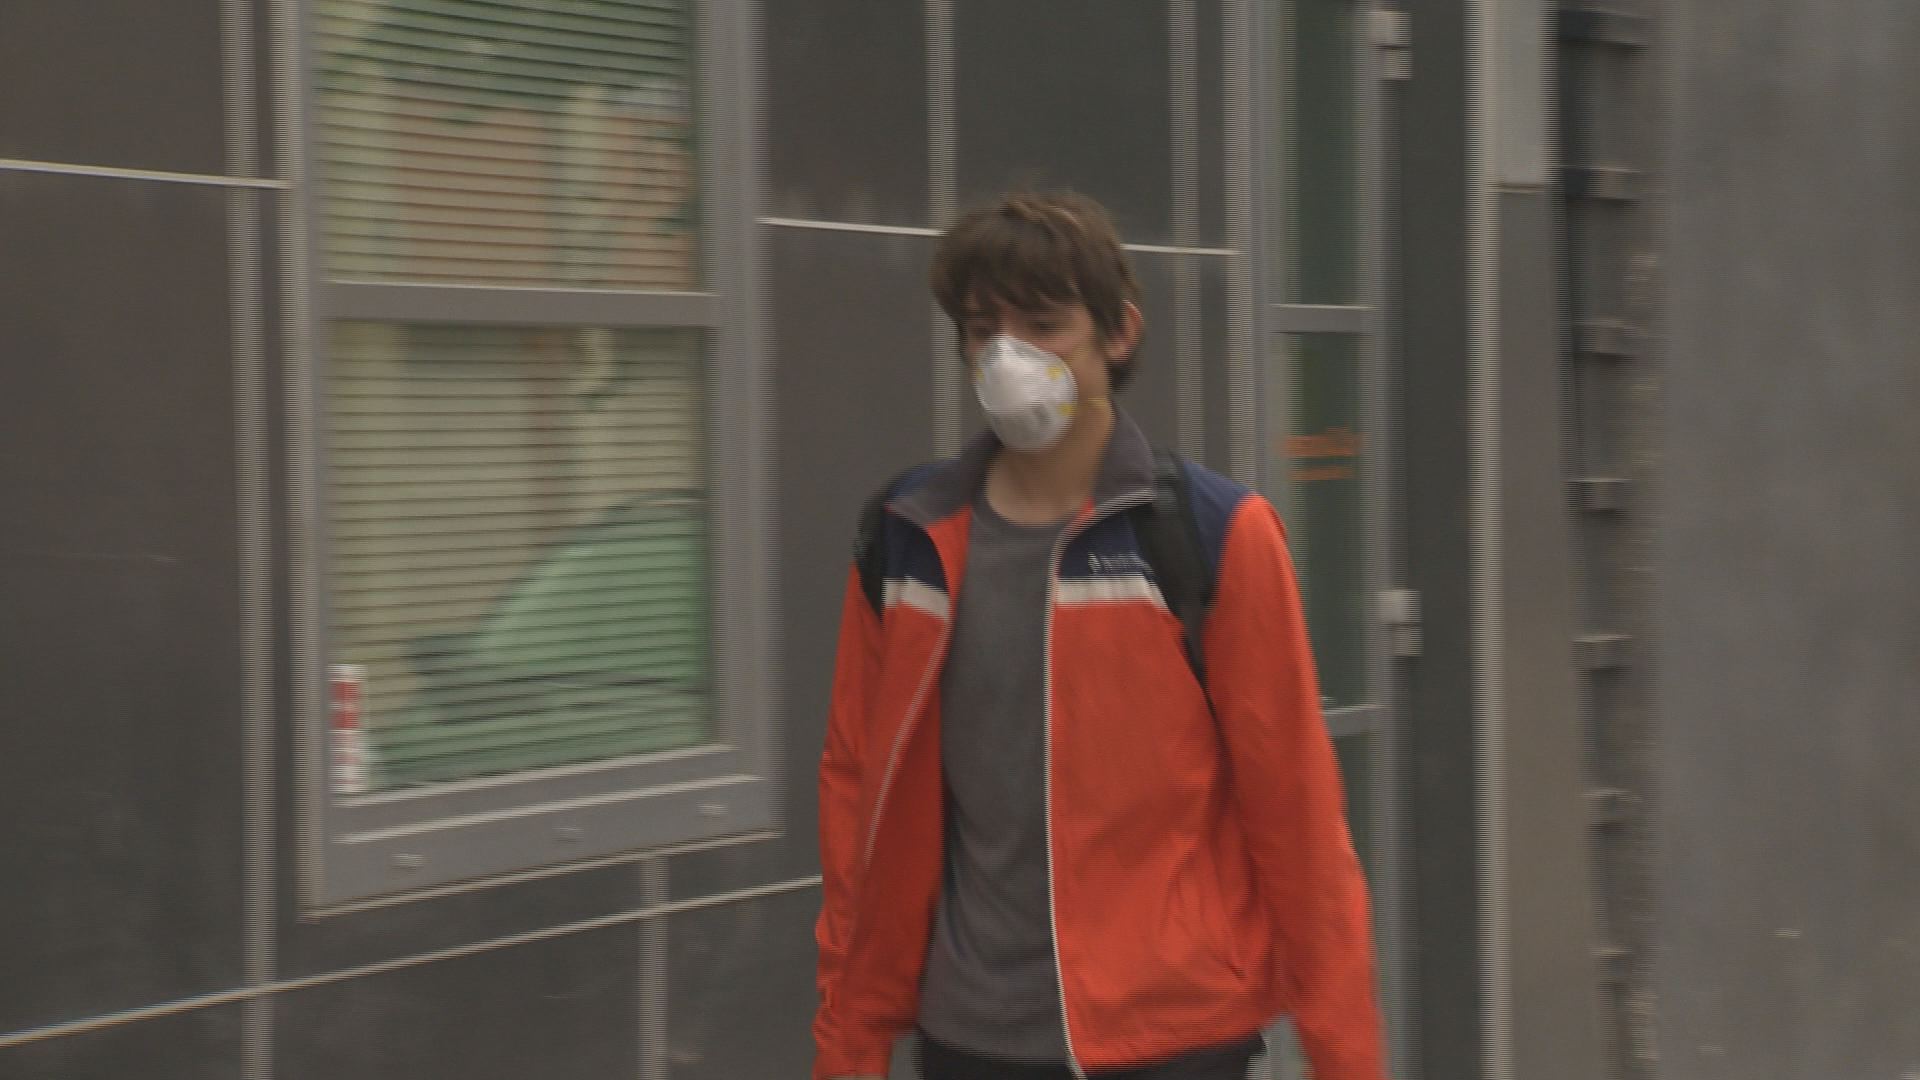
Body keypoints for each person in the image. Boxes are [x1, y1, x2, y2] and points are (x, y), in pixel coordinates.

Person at [812, 191, 1384, 1080]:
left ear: (1118, 334)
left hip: (1171, 1038)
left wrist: (1347, 1058)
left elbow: (1299, 819)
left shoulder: (1213, 535)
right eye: (983, 331)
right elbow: (856, 793)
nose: (1010, 358)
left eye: (1045, 325)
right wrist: (849, 1050)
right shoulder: (906, 537)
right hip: (969, 1037)